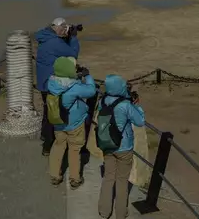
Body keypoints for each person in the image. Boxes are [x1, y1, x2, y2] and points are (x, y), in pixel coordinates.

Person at [97, 75, 145, 219]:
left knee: (108, 177)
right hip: (124, 147)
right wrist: (136, 105)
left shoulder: (102, 101)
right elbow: (140, 121)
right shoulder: (125, 105)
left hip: (107, 144)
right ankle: (121, 213)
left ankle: (104, 211)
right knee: (122, 181)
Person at [47, 57, 96, 189]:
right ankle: (75, 178)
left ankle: (54, 175)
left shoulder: (52, 83)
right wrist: (87, 75)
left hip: (58, 122)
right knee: (74, 149)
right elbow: (91, 90)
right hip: (74, 123)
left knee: (58, 145)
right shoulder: (74, 88)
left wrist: (76, 77)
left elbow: (66, 82)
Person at [35, 18, 80, 155]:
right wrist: (73, 38)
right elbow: (73, 54)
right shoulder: (55, 42)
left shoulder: (45, 37)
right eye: (64, 28)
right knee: (53, 113)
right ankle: (48, 146)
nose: (65, 30)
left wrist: (64, 36)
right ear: (58, 28)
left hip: (43, 82)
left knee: (47, 109)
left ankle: (44, 135)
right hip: (52, 84)